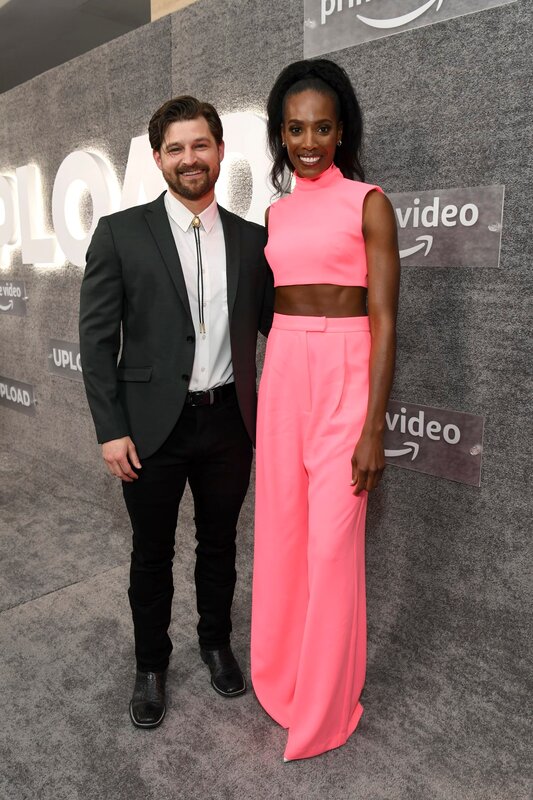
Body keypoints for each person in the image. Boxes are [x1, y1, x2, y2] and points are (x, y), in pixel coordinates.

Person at [79, 96, 273, 729]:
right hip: (150, 428)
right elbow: (96, 339)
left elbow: (281, 328)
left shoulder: (252, 241)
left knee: (220, 545)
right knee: (150, 552)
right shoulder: (120, 232)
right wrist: (112, 430)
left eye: (201, 145)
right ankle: (151, 665)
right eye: (176, 148)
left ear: (219, 151)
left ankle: (215, 644)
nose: (190, 159)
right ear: (158, 156)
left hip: (226, 425)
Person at [251, 59, 400, 761]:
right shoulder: (276, 212)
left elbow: (385, 318)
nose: (307, 141)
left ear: (341, 131)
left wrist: (374, 426)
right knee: (282, 536)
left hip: (345, 370)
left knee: (332, 549)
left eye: (321, 127)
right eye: (294, 128)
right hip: (283, 368)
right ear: (280, 134)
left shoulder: (367, 200)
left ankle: (325, 706)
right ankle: (282, 681)